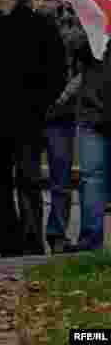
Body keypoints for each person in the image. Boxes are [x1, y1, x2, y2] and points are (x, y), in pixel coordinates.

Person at [0, 0, 65, 258]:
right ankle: (8, 241)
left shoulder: (39, 26)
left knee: (28, 180)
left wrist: (39, 104)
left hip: (26, 119)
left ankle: (32, 241)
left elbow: (57, 70)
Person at [34, 0, 85, 254]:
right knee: (28, 178)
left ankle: (56, 233)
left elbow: (81, 72)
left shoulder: (75, 31)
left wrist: (63, 96)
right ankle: (30, 234)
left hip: (60, 114)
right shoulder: (28, 26)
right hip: (30, 114)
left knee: (60, 178)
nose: (41, 3)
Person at [76, 43, 109, 252]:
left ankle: (91, 239)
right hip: (93, 116)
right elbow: (76, 48)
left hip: (93, 113)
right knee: (91, 180)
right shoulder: (92, 36)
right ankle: (91, 240)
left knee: (91, 180)